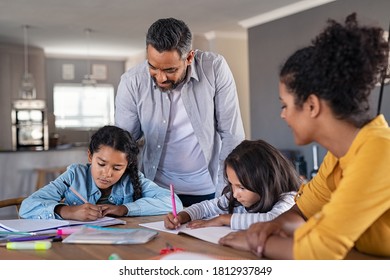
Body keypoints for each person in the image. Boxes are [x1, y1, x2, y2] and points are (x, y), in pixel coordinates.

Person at [219, 13, 390, 259]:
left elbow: (318, 252)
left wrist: (254, 243)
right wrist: (273, 225)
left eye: (285, 105)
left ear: (311, 106)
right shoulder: (339, 156)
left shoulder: (378, 151)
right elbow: (303, 211)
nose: (283, 115)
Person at [115, 18, 245, 206]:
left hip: (210, 188)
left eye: (170, 70)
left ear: (189, 58)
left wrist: (226, 191)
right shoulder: (131, 82)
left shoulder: (215, 68)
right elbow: (122, 144)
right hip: (156, 191)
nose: (160, 77)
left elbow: (232, 135)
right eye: (152, 67)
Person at [19, 125, 183, 221]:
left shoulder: (132, 179)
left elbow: (173, 203)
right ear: (90, 156)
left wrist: (125, 209)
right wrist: (68, 211)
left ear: (127, 165)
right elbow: (27, 207)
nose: (107, 173)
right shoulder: (74, 175)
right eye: (102, 164)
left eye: (117, 168)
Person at [164, 139, 300, 230]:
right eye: (232, 184)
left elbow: (274, 220)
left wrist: (224, 219)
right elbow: (205, 207)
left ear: (267, 181)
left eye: (241, 187)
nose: (234, 194)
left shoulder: (289, 199)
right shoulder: (235, 198)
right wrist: (182, 216)